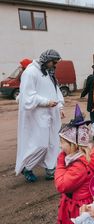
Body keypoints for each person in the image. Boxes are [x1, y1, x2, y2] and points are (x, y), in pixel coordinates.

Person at [15, 49, 65, 182]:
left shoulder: (49, 73)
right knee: (40, 144)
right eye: (53, 62)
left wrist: (59, 106)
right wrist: (46, 102)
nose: (55, 65)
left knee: (53, 142)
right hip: (37, 115)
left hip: (52, 113)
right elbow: (27, 97)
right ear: (46, 60)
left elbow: (56, 90)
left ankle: (50, 168)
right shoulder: (30, 73)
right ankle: (27, 167)